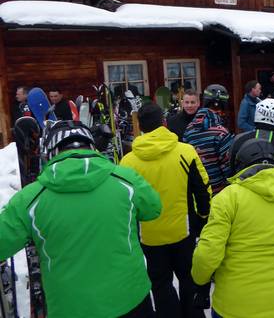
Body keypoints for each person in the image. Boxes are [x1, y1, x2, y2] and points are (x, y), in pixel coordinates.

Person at [0, 120, 162, 317]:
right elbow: (154, 208)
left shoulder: (30, 198)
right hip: (130, 298)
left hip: (70, 307)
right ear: (92, 147)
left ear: (50, 153)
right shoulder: (125, 179)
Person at [192, 138, 274, 318]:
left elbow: (207, 254)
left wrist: (199, 279)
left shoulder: (228, 198)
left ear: (239, 165)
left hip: (233, 306)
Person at [120, 103, 212, 318]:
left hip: (149, 235)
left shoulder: (127, 162)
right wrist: (203, 217)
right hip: (183, 230)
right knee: (188, 279)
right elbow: (203, 189)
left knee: (161, 284)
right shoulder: (185, 151)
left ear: (140, 127)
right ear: (164, 122)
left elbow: (125, 201)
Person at [183, 84, 234, 195]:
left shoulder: (189, 129)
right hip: (219, 192)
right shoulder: (221, 132)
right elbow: (228, 167)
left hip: (197, 192)